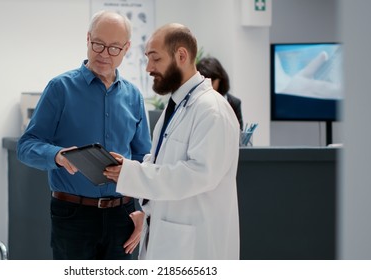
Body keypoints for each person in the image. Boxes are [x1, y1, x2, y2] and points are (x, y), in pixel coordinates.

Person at [17, 10, 151, 260]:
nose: (104, 54)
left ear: (127, 49)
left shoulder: (134, 96)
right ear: (88, 39)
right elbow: (26, 146)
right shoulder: (60, 88)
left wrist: (146, 210)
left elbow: (145, 159)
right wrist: (57, 156)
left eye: (114, 48)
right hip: (73, 215)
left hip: (122, 216)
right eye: (98, 44)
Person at [104, 23, 240, 259]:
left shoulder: (212, 110)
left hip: (195, 246)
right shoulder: (177, 105)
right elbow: (160, 161)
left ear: (181, 55)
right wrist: (128, 170)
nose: (148, 68)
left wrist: (132, 174)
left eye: (155, 59)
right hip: (169, 237)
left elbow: (198, 174)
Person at [196, 56, 244, 130]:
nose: (208, 85)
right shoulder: (196, 102)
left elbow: (239, 134)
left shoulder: (234, 103)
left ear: (220, 79)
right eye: (203, 81)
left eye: (211, 82)